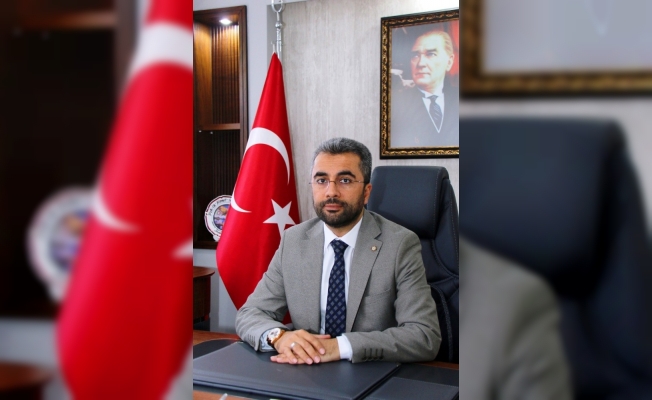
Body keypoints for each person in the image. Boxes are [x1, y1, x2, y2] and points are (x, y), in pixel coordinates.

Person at [236, 137, 440, 364]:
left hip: (369, 371)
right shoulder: (293, 241)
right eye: (321, 180)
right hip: (305, 370)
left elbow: (424, 335)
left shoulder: (400, 244)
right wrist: (279, 337)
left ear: (366, 192)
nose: (331, 192)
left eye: (345, 180)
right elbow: (250, 314)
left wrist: (339, 347)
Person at [391, 29, 459, 148]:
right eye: (415, 56)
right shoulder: (396, 104)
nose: (420, 63)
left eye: (431, 54)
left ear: (449, 62)